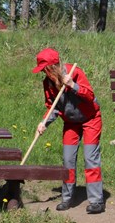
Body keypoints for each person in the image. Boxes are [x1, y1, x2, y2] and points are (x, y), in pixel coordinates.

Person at [32, 48, 105, 214]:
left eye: (45, 69)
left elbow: (89, 95)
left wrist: (73, 85)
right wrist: (44, 122)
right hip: (71, 122)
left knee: (90, 158)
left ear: (53, 67)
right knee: (67, 160)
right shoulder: (48, 83)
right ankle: (66, 199)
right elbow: (53, 107)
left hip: (90, 118)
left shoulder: (75, 72)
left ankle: (96, 202)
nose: (44, 72)